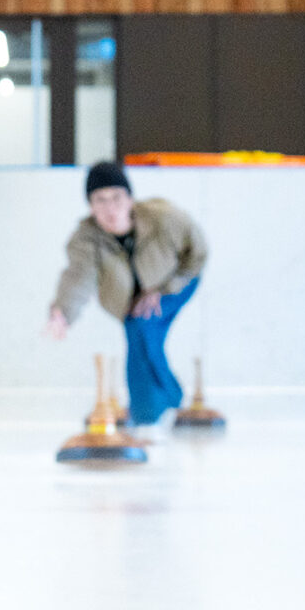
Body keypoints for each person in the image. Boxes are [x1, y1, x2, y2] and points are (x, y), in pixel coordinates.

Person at [46, 162, 208, 428]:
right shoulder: (86, 239)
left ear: (130, 198)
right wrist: (62, 313)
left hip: (177, 284)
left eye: (116, 198)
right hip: (128, 302)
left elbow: (198, 252)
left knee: (141, 327)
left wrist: (164, 289)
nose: (110, 208)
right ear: (90, 205)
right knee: (142, 332)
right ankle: (166, 398)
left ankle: (147, 414)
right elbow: (78, 278)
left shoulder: (163, 217)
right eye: (100, 200)